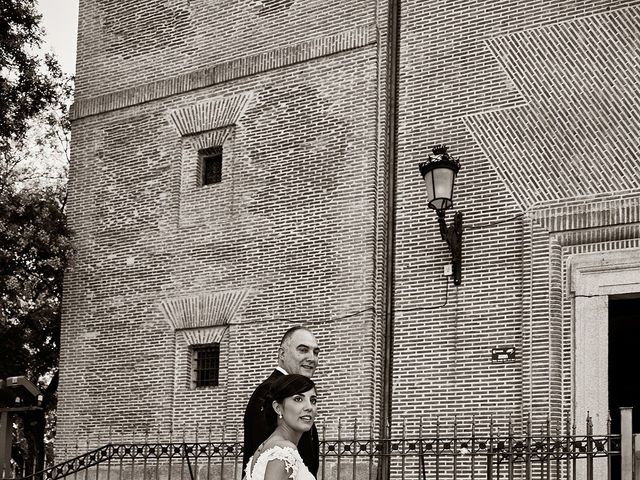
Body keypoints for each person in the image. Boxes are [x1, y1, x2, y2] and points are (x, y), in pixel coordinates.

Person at [243, 327, 320, 476]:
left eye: (316, 352)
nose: (312, 358)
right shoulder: (269, 391)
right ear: (282, 354)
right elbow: (269, 461)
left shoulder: (295, 389)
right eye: (303, 350)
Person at [244, 374, 318, 480]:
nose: (309, 407)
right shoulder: (283, 452)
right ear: (278, 408)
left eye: (313, 400)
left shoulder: (266, 446)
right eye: (298, 399)